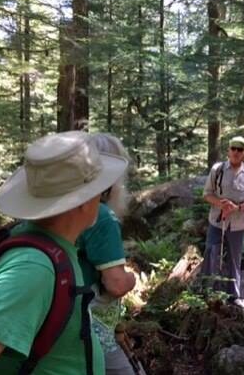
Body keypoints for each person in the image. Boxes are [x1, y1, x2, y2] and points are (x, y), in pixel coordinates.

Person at [0, 131, 128, 375]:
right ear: (83, 201)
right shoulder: (35, 268)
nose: (102, 197)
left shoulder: (56, 249)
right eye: (99, 190)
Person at [76, 133, 141, 375]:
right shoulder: (101, 215)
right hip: (84, 322)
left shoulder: (62, 208)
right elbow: (115, 284)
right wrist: (131, 278)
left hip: (55, 321)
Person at [201, 136, 244, 304]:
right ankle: (208, 294)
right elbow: (207, 194)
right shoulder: (217, 169)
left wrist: (237, 208)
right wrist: (221, 205)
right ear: (228, 151)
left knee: (234, 259)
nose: (236, 152)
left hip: (238, 224)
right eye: (233, 148)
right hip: (217, 221)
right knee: (212, 254)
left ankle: (233, 297)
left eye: (240, 149)